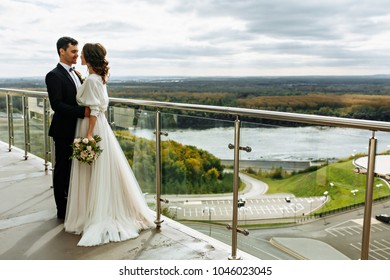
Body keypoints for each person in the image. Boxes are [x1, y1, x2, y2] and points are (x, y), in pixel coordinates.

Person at [64, 43, 155, 246]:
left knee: (92, 170)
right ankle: (97, 209)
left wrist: (88, 134)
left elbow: (94, 109)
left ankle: (95, 214)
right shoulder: (98, 79)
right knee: (101, 170)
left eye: (83, 54)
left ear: (89, 57)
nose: (80, 57)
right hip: (100, 127)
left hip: (91, 126)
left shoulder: (93, 81)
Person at [46, 37, 90, 220]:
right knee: (62, 169)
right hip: (64, 130)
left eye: (77, 51)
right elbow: (57, 104)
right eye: (73, 51)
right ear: (61, 51)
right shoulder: (53, 75)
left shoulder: (77, 73)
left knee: (75, 168)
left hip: (78, 128)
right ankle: (62, 210)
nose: (76, 55)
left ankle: (74, 204)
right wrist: (82, 112)